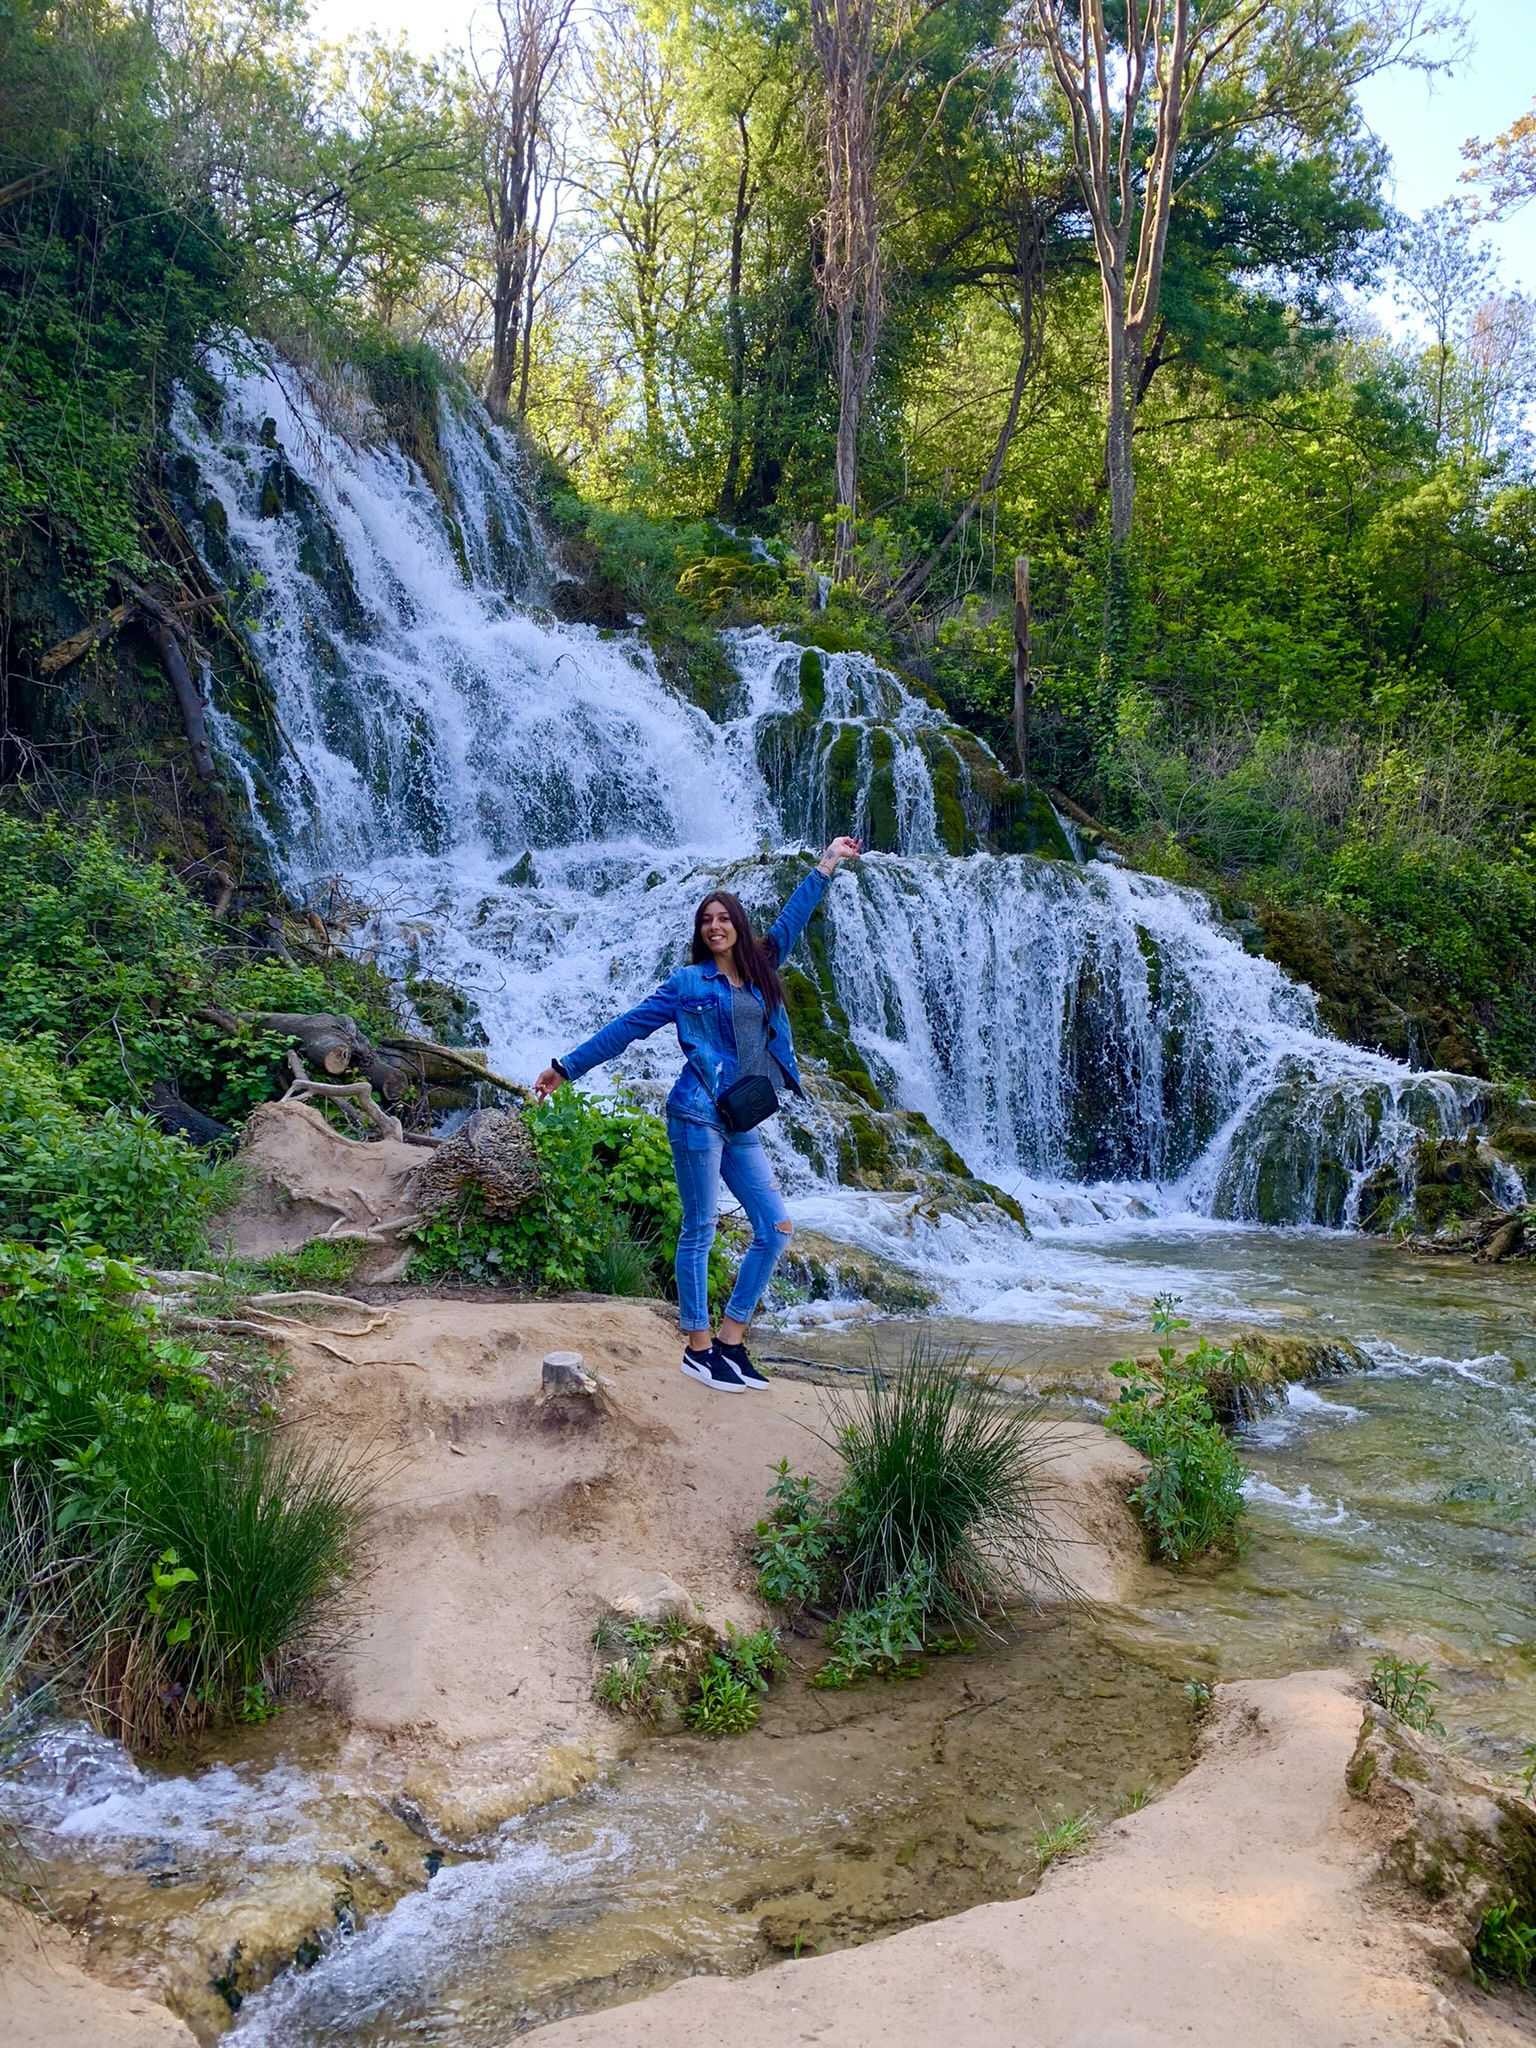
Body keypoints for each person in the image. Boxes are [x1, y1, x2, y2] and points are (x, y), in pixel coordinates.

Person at [533, 837, 863, 1392]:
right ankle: (698, 1348)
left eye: (724, 918)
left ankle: (731, 1342)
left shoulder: (763, 966)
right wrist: (565, 1068)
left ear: (738, 924)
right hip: (696, 1114)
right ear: (699, 931)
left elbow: (795, 915)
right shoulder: (687, 983)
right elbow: (628, 1026)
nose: (715, 926)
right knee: (700, 1227)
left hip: (740, 1121)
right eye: (706, 920)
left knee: (775, 1229)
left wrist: (827, 863)